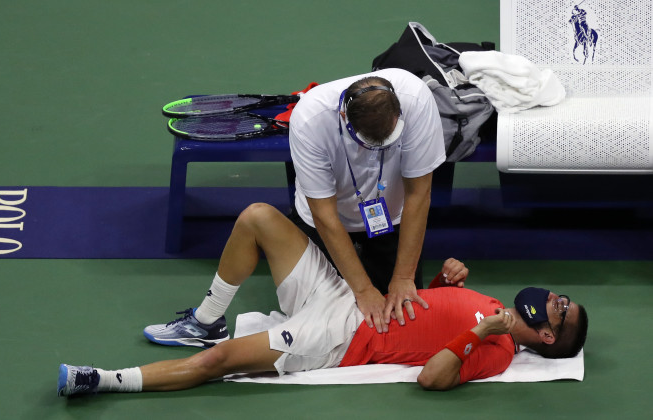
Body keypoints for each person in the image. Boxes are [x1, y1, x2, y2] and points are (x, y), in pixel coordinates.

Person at [57, 203, 588, 396]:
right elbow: (426, 316)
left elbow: (432, 377)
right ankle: (207, 317)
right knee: (259, 217)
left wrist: (478, 332)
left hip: (339, 337)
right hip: (343, 296)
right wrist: (449, 286)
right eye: (562, 297)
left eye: (561, 310)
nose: (555, 298)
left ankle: (102, 380)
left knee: (220, 364)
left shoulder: (495, 353)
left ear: (545, 337)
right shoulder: (494, 304)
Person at [287, 68, 446, 335]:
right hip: (326, 222)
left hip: (390, 218)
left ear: (399, 112)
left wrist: (404, 278)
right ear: (342, 116)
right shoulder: (309, 120)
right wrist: (362, 290)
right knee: (324, 319)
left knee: (402, 316)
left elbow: (419, 194)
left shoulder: (417, 99)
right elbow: (324, 215)